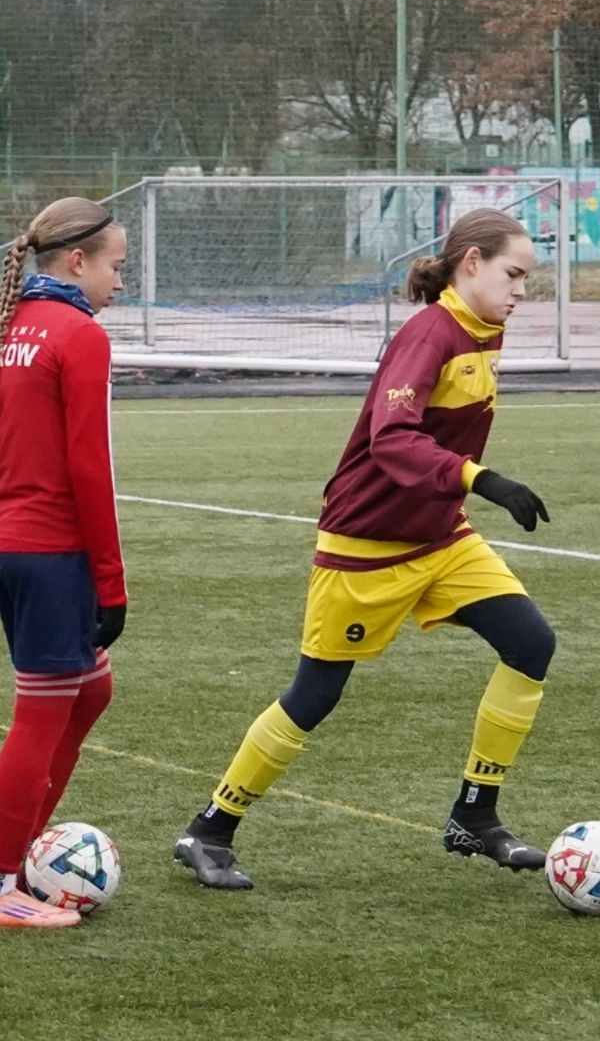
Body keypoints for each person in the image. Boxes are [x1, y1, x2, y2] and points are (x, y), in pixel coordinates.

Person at [173, 208, 557, 890]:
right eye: (513, 274)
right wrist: (483, 479)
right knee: (315, 694)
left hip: (440, 537)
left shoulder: (484, 329)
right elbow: (392, 438)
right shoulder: (428, 334)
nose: (522, 290)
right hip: (366, 545)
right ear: (471, 263)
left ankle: (475, 813)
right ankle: (210, 829)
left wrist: (464, 489)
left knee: (531, 643)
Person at [0, 196, 129, 929]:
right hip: (51, 549)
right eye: (116, 266)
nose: (121, 281)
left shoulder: (8, 326)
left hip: (4, 542)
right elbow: (91, 466)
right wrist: (111, 582)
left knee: (90, 691)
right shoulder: (79, 335)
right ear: (77, 261)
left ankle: (21, 855)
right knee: (40, 715)